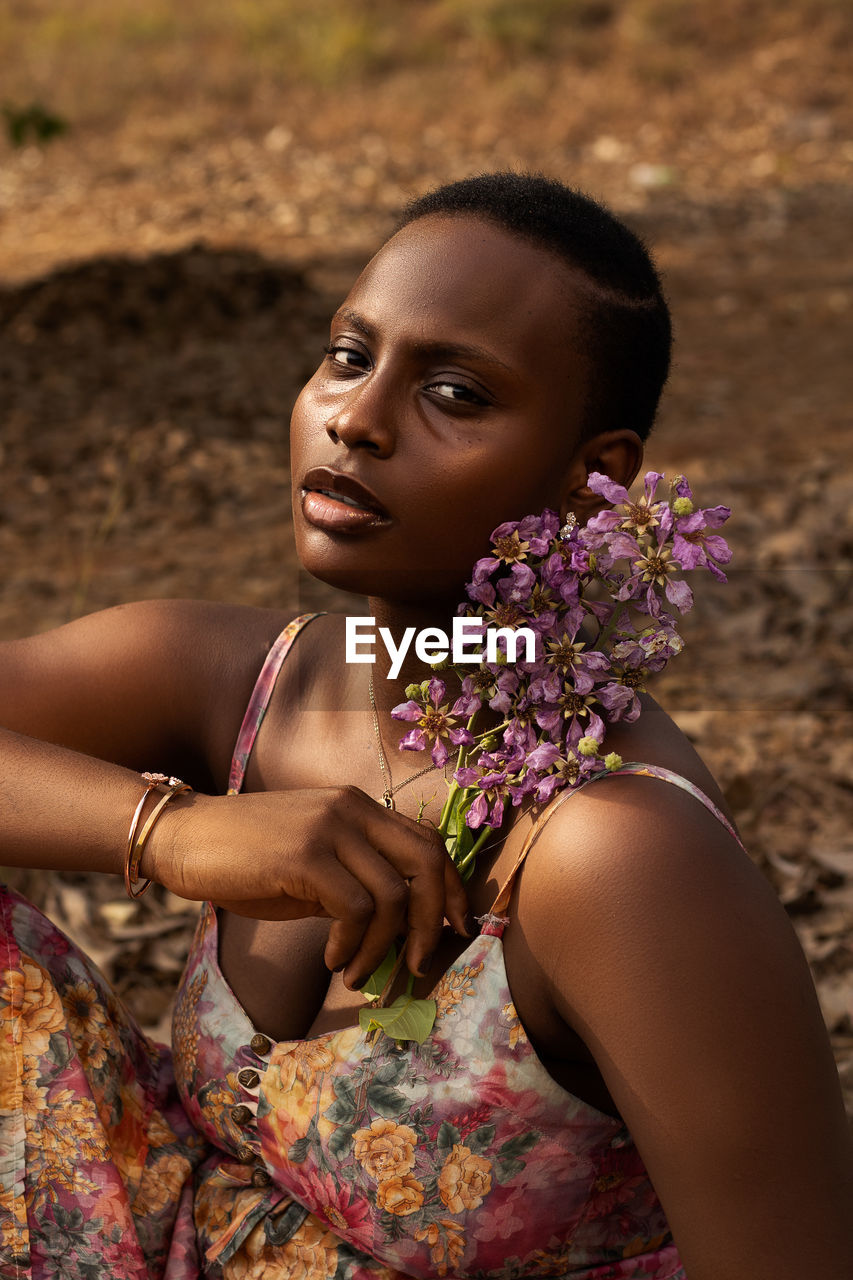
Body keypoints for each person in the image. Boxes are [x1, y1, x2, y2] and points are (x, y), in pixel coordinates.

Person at [1, 173, 851, 1280]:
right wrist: (171, 830)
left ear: (594, 480)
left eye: (453, 392)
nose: (354, 417)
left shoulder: (615, 852)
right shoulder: (240, 679)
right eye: (349, 358)